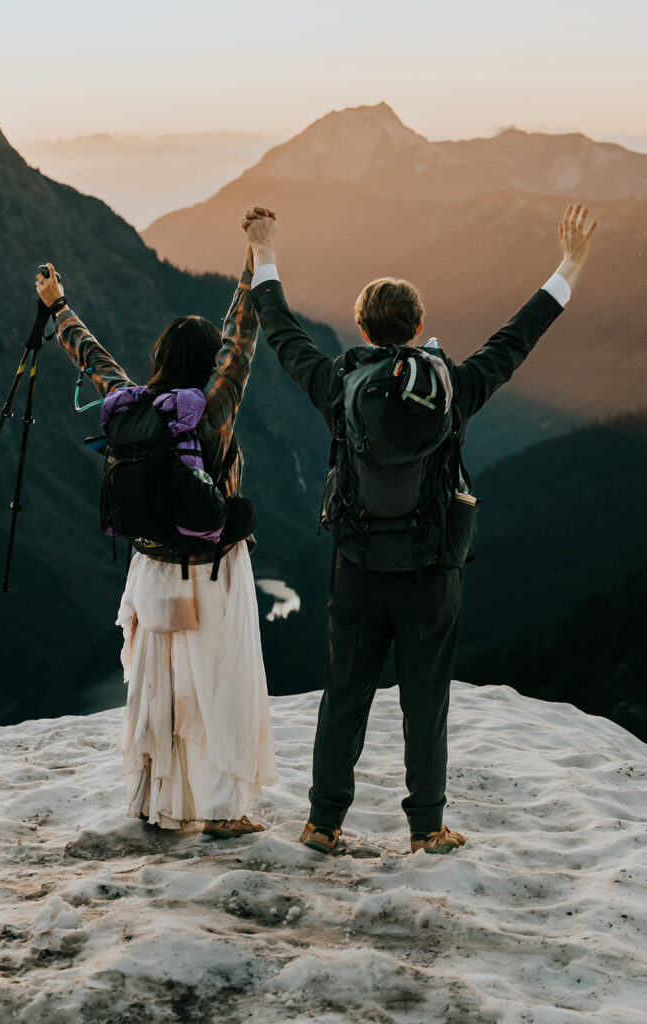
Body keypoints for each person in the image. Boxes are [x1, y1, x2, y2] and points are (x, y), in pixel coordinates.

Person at [243, 202, 597, 854]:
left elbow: (280, 328)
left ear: (361, 328)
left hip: (356, 568)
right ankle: (427, 827)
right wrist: (570, 263)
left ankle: (323, 823)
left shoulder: (335, 385)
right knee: (425, 699)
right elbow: (517, 337)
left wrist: (262, 247)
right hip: (431, 569)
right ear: (420, 326)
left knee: (345, 695)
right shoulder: (452, 389)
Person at [35, 244, 276, 838]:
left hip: (150, 568)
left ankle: (152, 798)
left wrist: (57, 305)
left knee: (159, 686)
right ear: (208, 364)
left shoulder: (131, 405)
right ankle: (223, 809)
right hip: (212, 568)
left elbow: (92, 360)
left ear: (162, 359)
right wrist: (254, 260)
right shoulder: (212, 408)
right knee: (220, 682)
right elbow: (241, 339)